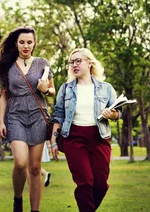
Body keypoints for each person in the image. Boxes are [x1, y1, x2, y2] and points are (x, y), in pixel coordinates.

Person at [50, 48, 121, 212]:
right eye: (71, 62)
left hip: (100, 138)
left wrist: (112, 114)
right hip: (74, 139)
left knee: (101, 184)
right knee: (85, 182)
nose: (74, 65)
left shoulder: (106, 88)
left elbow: (118, 113)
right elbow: (58, 115)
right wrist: (53, 141)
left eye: (78, 61)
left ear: (89, 62)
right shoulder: (66, 88)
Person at [0, 26, 54, 212]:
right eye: (22, 42)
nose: (25, 46)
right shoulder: (8, 65)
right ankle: (18, 199)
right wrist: (1, 121)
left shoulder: (42, 63)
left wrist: (45, 89)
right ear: (16, 43)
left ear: (34, 43)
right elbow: (4, 95)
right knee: (21, 163)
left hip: (38, 115)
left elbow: (52, 90)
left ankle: (35, 209)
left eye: (29, 42)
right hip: (15, 115)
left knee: (35, 168)